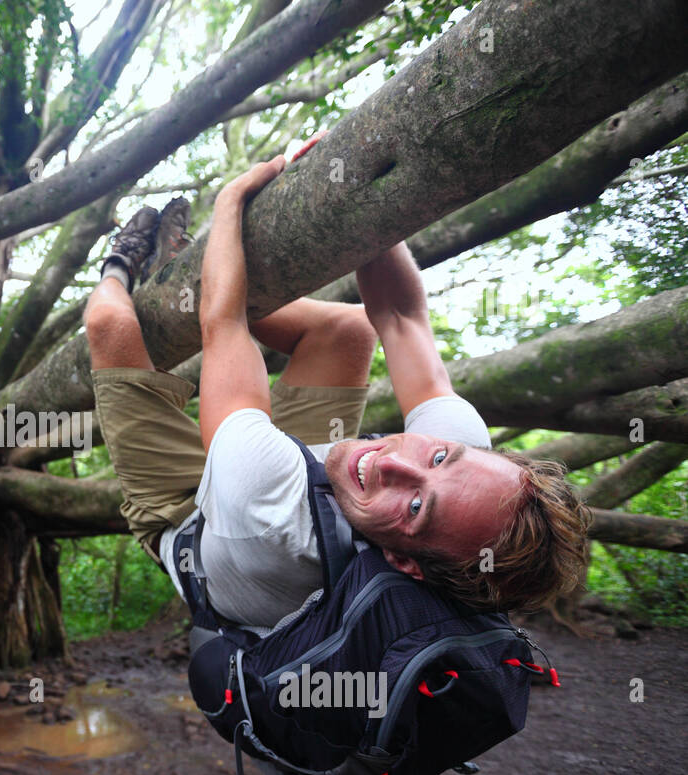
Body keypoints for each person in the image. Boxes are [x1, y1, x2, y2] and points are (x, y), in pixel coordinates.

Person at [85, 144, 590, 628]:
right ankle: (191, 266)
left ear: (404, 563)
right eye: (437, 458)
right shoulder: (466, 468)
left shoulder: (272, 516)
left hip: (190, 518)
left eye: (415, 508)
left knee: (111, 325)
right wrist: (353, 188)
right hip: (299, 471)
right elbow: (400, 315)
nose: (390, 461)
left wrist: (231, 202)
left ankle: (120, 264)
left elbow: (224, 323)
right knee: (349, 331)